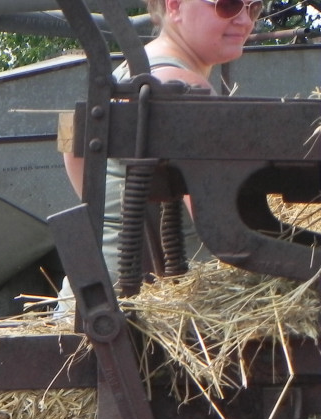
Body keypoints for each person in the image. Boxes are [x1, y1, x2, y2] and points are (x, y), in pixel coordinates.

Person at [61, 0, 257, 293]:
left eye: (253, 8)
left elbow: (72, 149)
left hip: (94, 295)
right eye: (228, 5)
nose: (245, 21)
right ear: (175, 5)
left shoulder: (128, 74)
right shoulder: (180, 86)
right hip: (149, 309)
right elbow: (225, 227)